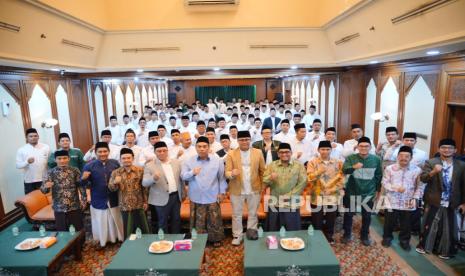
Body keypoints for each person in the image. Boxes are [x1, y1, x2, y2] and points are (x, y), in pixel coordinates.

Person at [416, 139, 465, 259]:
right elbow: (423, 178)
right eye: (443, 147)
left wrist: (463, 202)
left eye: (450, 148)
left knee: (448, 226)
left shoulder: (461, 165)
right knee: (429, 223)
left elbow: (463, 185)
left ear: (455, 150)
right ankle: (424, 245)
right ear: (439, 149)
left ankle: (446, 250)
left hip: (452, 200)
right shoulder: (431, 162)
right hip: (434, 199)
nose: (446, 150)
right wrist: (433, 171)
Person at [181, 136, 227, 247]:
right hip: (196, 196)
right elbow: (183, 176)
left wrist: (222, 193)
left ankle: (215, 238)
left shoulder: (218, 160)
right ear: (196, 147)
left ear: (209, 147)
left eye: (204, 146)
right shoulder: (188, 160)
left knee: (214, 219)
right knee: (198, 220)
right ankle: (199, 238)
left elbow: (221, 178)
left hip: (212, 195)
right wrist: (192, 172)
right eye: (199, 146)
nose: (202, 149)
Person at [225, 131, 266, 245]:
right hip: (237, 188)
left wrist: (263, 186)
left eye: (247, 139)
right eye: (242, 140)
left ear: (250, 140)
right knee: (236, 214)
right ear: (238, 141)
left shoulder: (258, 152)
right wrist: (232, 173)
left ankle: (251, 232)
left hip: (254, 187)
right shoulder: (231, 154)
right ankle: (237, 235)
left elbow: (263, 171)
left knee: (253, 213)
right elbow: (226, 172)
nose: (244, 142)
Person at [82, 142, 124, 248]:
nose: (102, 154)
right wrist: (84, 179)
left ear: (109, 152)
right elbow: (83, 184)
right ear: (95, 153)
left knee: (115, 218)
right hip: (98, 197)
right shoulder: (89, 165)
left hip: (113, 196)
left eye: (105, 151)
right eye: (99, 152)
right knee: (101, 220)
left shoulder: (115, 163)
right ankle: (103, 241)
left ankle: (117, 238)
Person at [342, 136, 382, 246]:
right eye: (361, 146)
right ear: (357, 147)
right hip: (352, 190)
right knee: (349, 214)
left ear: (370, 147)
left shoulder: (376, 159)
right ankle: (347, 234)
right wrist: (354, 167)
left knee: (367, 215)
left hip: (368, 192)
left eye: (366, 146)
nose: (364, 148)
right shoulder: (351, 158)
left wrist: (377, 191)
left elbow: (378, 176)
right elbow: (344, 170)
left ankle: (364, 235)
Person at [381, 146, 422, 251]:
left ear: (411, 157)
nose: (404, 158)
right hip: (392, 199)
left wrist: (415, 198)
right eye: (401, 156)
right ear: (398, 156)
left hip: (408, 200)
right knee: (389, 221)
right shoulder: (390, 168)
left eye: (407, 156)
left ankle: (404, 241)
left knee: (406, 224)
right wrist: (395, 188)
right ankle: (387, 238)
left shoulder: (417, 170)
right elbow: (384, 182)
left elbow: (420, 186)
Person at [307, 141, 345, 244]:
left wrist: (332, 189)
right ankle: (317, 237)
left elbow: (342, 179)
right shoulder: (312, 162)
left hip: (332, 194)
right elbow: (309, 178)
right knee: (316, 218)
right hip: (317, 194)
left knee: (331, 217)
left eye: (327, 149)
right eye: (322, 149)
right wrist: (319, 171)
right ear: (318, 150)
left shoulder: (338, 162)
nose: (325, 151)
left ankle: (329, 236)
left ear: (331, 150)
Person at [263, 143, 307, 231]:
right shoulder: (272, 165)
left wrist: (289, 196)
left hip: (292, 202)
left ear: (291, 153)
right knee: (274, 229)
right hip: (275, 202)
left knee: (291, 229)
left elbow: (303, 182)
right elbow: (264, 181)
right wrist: (270, 177)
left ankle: (291, 244)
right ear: (278, 154)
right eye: (281, 152)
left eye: (287, 152)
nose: (284, 154)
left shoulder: (298, 166)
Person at [143, 142, 184, 234]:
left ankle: (176, 238)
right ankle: (164, 242)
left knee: (176, 220)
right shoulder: (149, 165)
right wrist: (153, 178)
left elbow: (181, 180)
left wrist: (183, 193)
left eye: (164, 150)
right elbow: (144, 183)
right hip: (160, 198)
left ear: (167, 151)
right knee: (162, 221)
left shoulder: (176, 162)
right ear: (155, 152)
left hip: (176, 197)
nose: (162, 153)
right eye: (159, 151)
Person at [109, 148, 150, 238]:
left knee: (143, 228)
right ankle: (129, 248)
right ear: (120, 159)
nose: (126, 160)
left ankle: (144, 245)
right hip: (124, 205)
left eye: (128, 158)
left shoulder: (140, 171)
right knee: (128, 230)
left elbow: (145, 188)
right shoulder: (116, 173)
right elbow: (111, 189)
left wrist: (146, 201)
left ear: (133, 158)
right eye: (124, 158)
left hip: (139, 204)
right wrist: (115, 182)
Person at [41, 150, 86, 232]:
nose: (62, 160)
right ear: (55, 160)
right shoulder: (50, 172)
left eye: (64, 158)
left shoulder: (75, 170)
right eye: (59, 158)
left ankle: (79, 244)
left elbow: (81, 185)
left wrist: (83, 199)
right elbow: (44, 191)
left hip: (74, 205)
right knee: (62, 230)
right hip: (59, 207)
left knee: (78, 228)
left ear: (68, 159)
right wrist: (46, 186)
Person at [16, 128, 50, 194]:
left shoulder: (46, 147)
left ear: (38, 137)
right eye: (31, 136)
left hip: (44, 180)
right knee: (32, 201)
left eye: (35, 136)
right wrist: (27, 162)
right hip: (29, 181)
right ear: (26, 138)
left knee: (46, 200)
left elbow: (50, 162)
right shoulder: (21, 150)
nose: (33, 138)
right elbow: (18, 165)